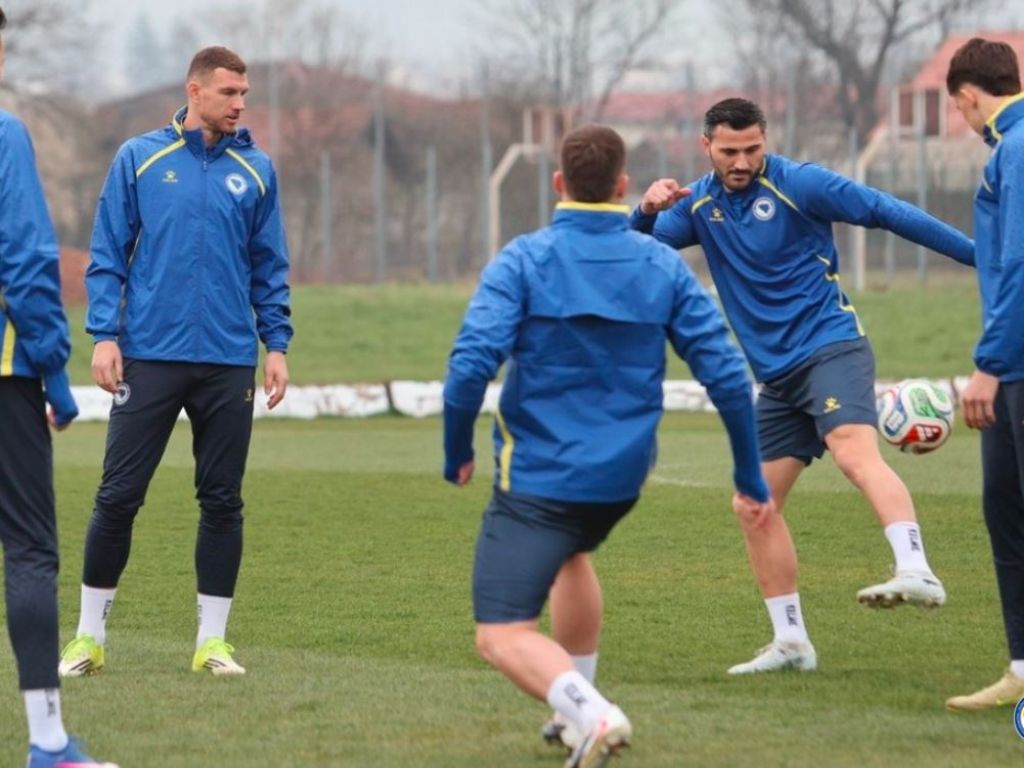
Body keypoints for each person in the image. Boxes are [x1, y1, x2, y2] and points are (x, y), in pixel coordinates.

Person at [443, 124, 772, 767]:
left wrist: (456, 451)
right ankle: (573, 714)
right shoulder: (659, 263)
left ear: (559, 183)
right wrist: (748, 475)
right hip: (621, 477)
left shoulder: (524, 259)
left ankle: (593, 715)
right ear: (623, 185)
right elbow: (729, 377)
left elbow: (469, 368)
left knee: (499, 634)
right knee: (573, 553)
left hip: (538, 476)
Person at [632, 97, 975, 675]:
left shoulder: (801, 184)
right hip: (778, 379)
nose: (742, 161)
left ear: (765, 140)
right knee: (754, 504)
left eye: (752, 149)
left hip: (830, 347)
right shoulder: (698, 205)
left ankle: (916, 569)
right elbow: (633, 251)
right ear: (706, 147)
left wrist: (978, 257)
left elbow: (886, 210)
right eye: (729, 151)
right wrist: (644, 211)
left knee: (852, 452)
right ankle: (791, 642)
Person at [58, 46, 292, 679]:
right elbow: (108, 253)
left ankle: (212, 643)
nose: (239, 104)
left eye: (244, 94)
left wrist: (276, 345)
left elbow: (269, 267)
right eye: (228, 93)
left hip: (228, 361)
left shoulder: (257, 169)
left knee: (222, 502)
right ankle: (87, 639)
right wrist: (104, 335)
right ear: (195, 91)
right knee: (118, 496)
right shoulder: (139, 158)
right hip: (149, 356)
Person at [0, 8, 119, 767]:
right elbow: (24, 259)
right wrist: (53, 370)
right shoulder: (4, 134)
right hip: (6, 378)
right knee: (30, 552)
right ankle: (48, 744)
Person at [944, 37, 1024, 711]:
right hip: (1013, 361)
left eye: (956, 108)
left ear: (969, 96)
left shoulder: (1017, 149)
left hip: (1016, 365)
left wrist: (989, 365)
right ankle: (1022, 669)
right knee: (1005, 510)